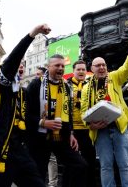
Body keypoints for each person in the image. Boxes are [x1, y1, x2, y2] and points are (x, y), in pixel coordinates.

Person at [0, 24, 50, 187]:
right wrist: (32, 34)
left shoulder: (22, 93)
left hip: (18, 151)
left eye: (22, 66)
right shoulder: (3, 86)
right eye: (18, 66)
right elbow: (13, 60)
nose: (20, 68)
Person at [80, 37, 128, 187]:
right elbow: (83, 111)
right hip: (100, 132)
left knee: (124, 164)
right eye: (98, 65)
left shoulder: (114, 77)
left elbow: (127, 67)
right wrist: (90, 125)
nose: (101, 67)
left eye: (104, 65)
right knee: (106, 166)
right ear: (91, 68)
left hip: (119, 128)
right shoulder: (86, 87)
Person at [26, 54, 88, 187]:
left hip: (61, 137)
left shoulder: (66, 87)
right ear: (48, 67)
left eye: (62, 66)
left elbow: (68, 112)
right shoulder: (36, 84)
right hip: (40, 138)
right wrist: (42, 122)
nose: (60, 68)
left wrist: (71, 133)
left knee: (80, 165)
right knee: (38, 175)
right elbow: (26, 113)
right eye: (57, 65)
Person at [67, 60, 97, 187]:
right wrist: (69, 131)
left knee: (90, 162)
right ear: (73, 71)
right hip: (72, 131)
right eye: (78, 69)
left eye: (83, 69)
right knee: (71, 164)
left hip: (88, 129)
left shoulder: (91, 85)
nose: (81, 72)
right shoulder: (66, 85)